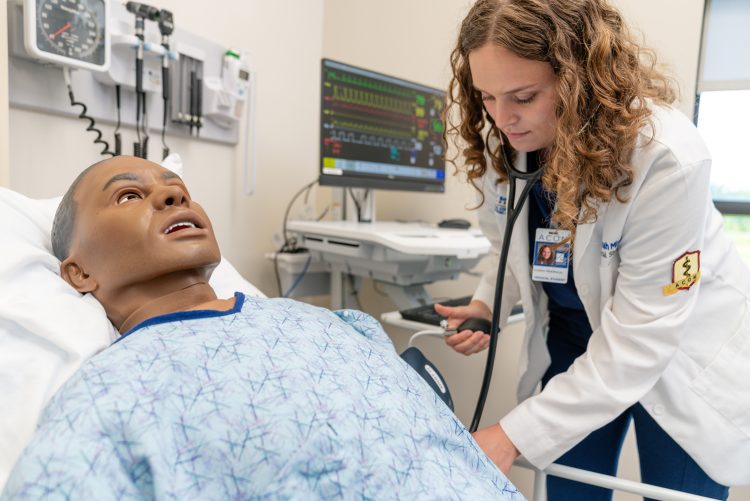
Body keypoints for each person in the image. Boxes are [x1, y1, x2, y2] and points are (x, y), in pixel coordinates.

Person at [1, 156, 524, 500]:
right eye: (128, 196)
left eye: (178, 191)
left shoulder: (340, 323)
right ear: (78, 273)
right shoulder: (108, 395)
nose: (173, 198)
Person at [435, 0, 750, 499]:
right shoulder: (511, 151)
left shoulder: (663, 156)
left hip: (676, 348)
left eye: (523, 96)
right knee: (570, 488)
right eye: (486, 96)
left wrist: (510, 437)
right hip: (574, 340)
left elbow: (640, 340)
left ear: (580, 77)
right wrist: (485, 304)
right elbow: (509, 247)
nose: (503, 118)